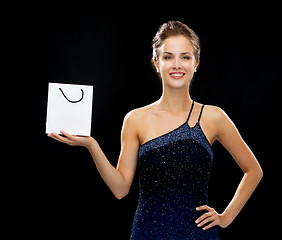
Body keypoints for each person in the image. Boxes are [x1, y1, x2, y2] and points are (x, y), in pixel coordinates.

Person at [48, 20, 263, 239]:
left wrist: (225, 217)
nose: (177, 64)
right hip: (147, 232)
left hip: (198, 234)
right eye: (168, 57)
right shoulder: (135, 119)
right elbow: (121, 189)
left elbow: (254, 170)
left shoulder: (213, 117)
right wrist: (91, 145)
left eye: (185, 57)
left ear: (196, 62)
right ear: (156, 63)